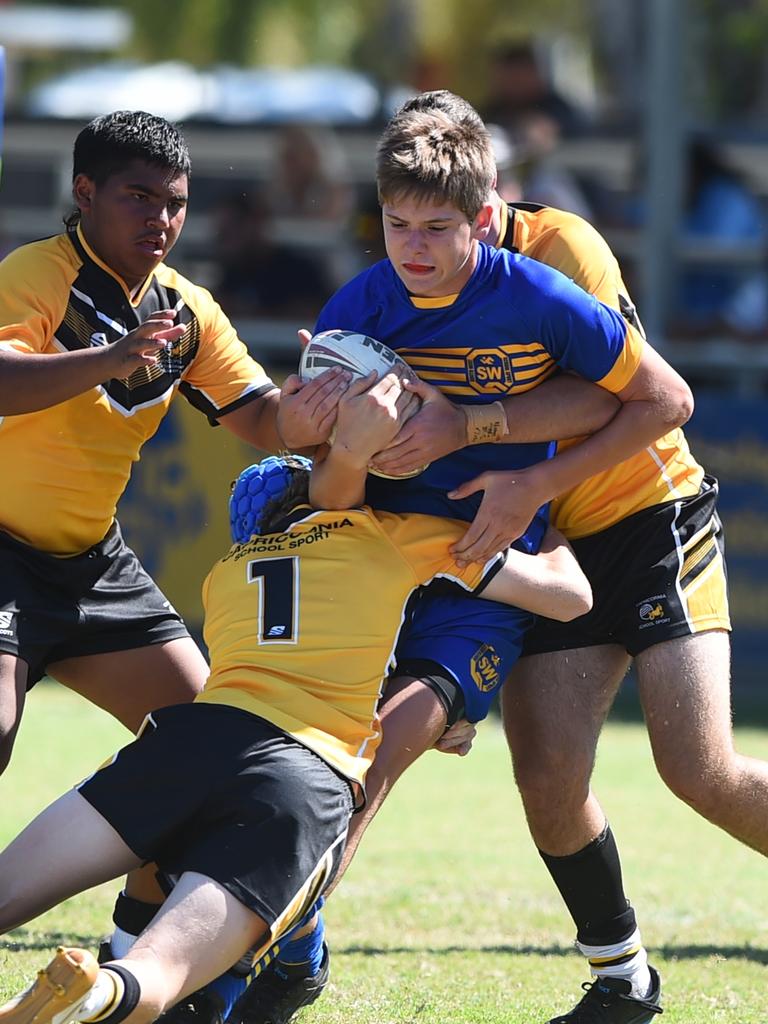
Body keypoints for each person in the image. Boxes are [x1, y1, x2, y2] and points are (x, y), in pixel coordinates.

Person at [229, 94, 693, 1024]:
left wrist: (528, 483)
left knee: (375, 764)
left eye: (437, 227)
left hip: (485, 575)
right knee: (306, 763)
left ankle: (245, 967)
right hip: (372, 563)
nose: (414, 248)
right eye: (397, 225)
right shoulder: (358, 306)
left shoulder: (542, 291)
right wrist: (321, 434)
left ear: (485, 217)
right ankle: (294, 948)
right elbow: (311, 458)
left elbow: (662, 400)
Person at [0, 370, 594, 1024]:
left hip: (187, 742)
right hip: (301, 775)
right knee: (158, 975)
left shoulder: (225, 577)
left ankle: (104, 966)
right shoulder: (392, 535)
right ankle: (105, 990)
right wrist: (542, 518)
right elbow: (570, 600)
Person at [0, 107, 353, 1020]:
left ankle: (212, 955)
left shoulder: (186, 311)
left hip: (91, 568)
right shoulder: (36, 275)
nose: (161, 219)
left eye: (177, 203)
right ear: (84, 194)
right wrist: (109, 356)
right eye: (139, 198)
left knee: (213, 747)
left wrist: (314, 411)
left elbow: (263, 419)